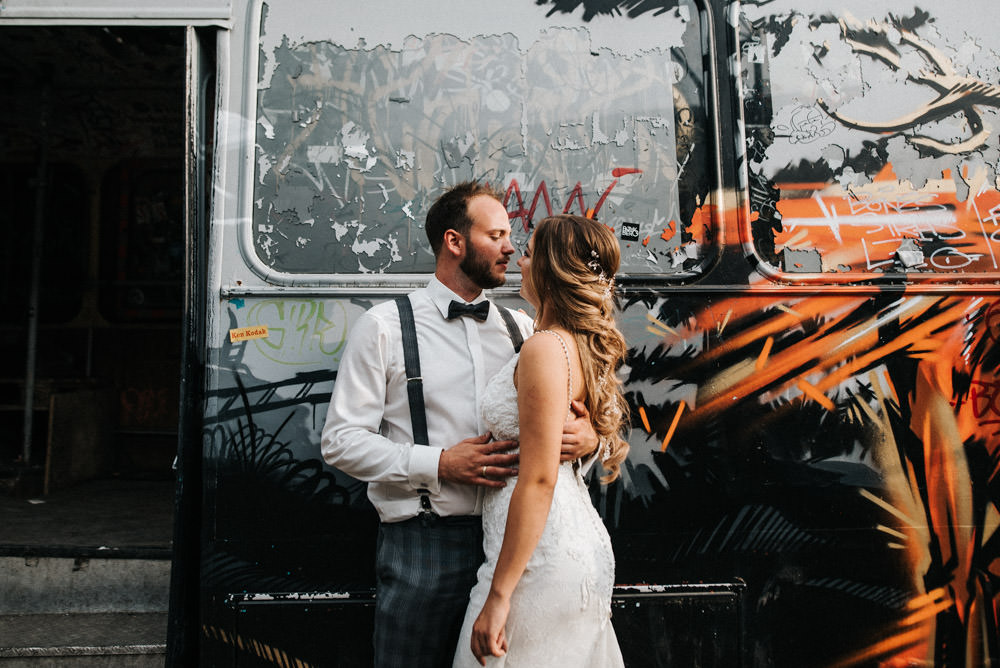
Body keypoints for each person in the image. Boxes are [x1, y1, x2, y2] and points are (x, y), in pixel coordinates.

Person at [321, 182, 599, 668]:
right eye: (496, 235)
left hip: (518, 548)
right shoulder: (384, 326)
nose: (511, 247)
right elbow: (341, 442)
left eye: (512, 236)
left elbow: (568, 421)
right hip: (425, 549)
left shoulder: (525, 330)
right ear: (455, 242)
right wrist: (441, 464)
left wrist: (588, 440)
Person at [452, 213, 630, 667]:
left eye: (529, 254)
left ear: (550, 268)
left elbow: (538, 480)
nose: (519, 261)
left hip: (537, 558)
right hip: (559, 540)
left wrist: (499, 595)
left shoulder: (544, 347)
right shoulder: (570, 343)